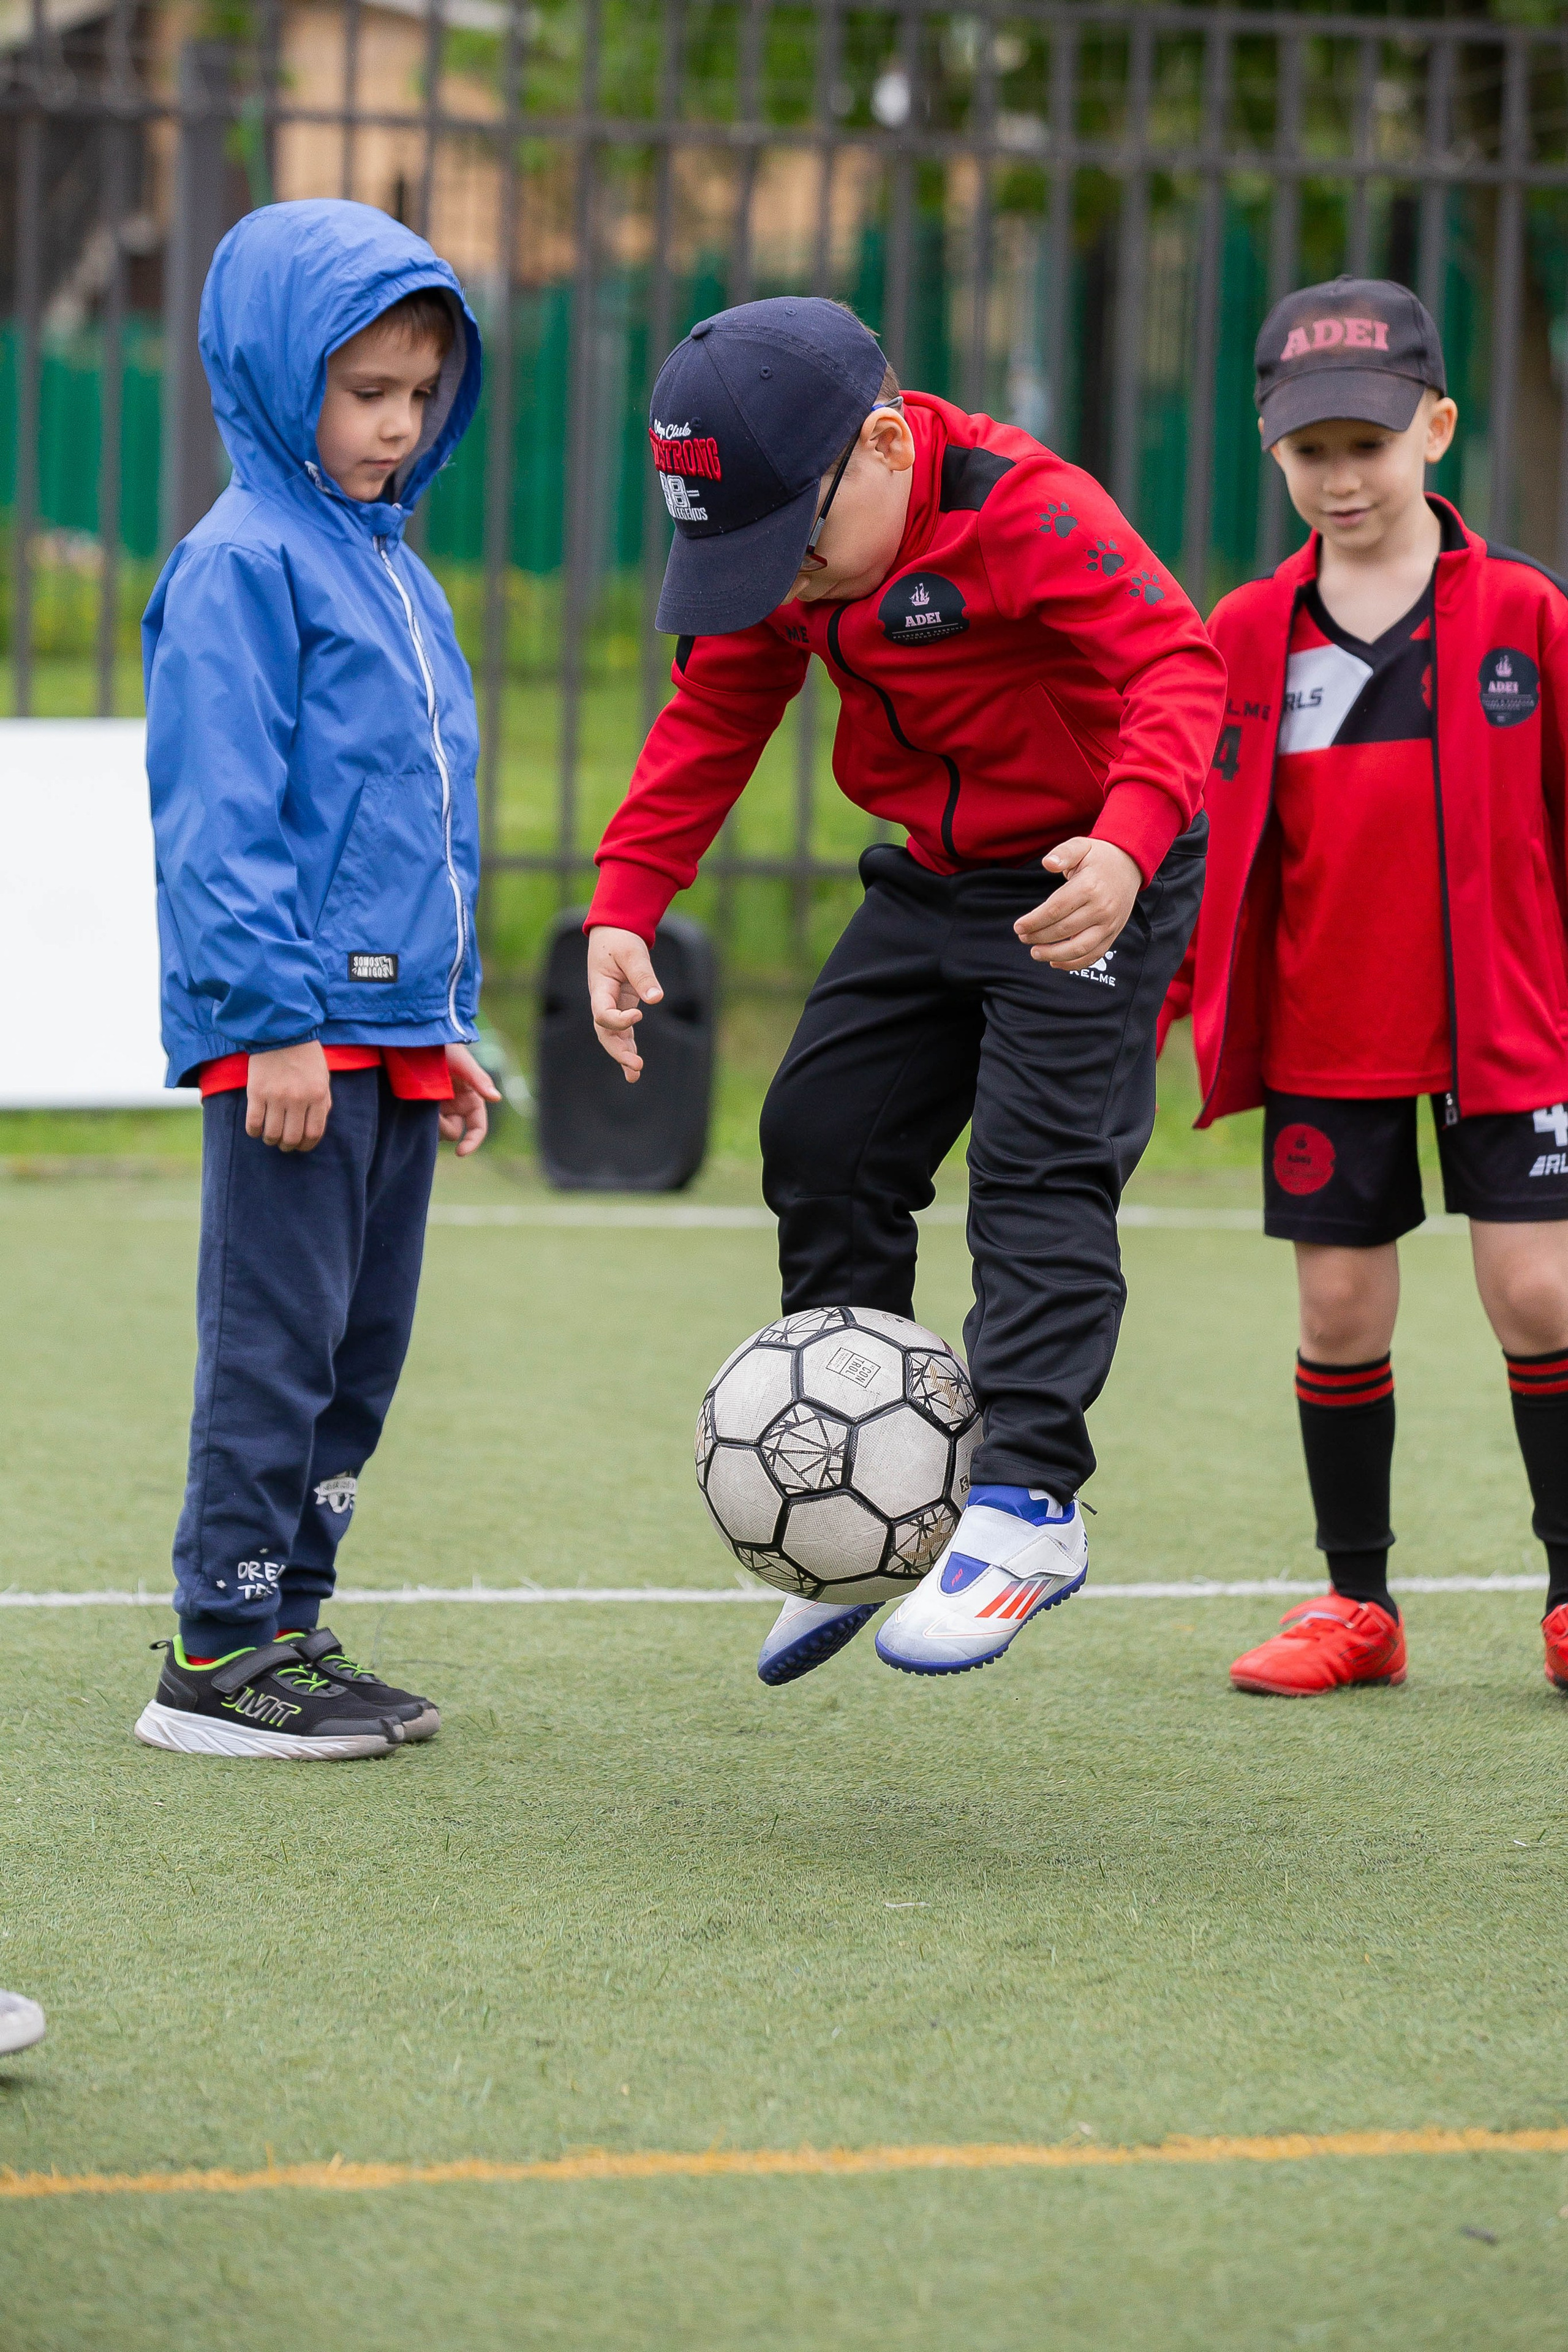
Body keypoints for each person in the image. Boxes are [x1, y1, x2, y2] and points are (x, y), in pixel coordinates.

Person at [587, 298, 1225, 1684]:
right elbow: (712, 708)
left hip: (1084, 870)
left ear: (883, 445)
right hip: (932, 876)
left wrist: (1123, 842)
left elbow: (1176, 667)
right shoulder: (807, 566)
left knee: (1037, 1168)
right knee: (820, 1138)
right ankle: (857, 1510)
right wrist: (625, 901)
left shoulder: (1026, 509)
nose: (787, 581)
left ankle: (1027, 1502)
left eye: (794, 545)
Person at [1164, 274, 1568, 1697]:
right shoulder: (1239, 632)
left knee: (1537, 1293)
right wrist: (1151, 1000)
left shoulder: (1523, 611)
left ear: (1437, 431)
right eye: (1308, 449)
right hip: (1327, 1021)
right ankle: (1358, 1608)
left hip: (1509, 1028)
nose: (1339, 477)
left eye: (1368, 443)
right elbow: (1198, 845)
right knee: (1338, 1315)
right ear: (1273, 452)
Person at [134, 200, 499, 1759]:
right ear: (284, 382)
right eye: (366, 392)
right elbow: (223, 818)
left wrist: (445, 1024)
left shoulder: (395, 573)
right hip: (292, 1037)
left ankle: (292, 1620)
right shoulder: (241, 568)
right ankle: (215, 1658)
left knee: (359, 1350)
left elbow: (411, 823)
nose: (398, 424)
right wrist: (272, 1022)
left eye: (421, 393)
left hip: (386, 1035)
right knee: (275, 1345)